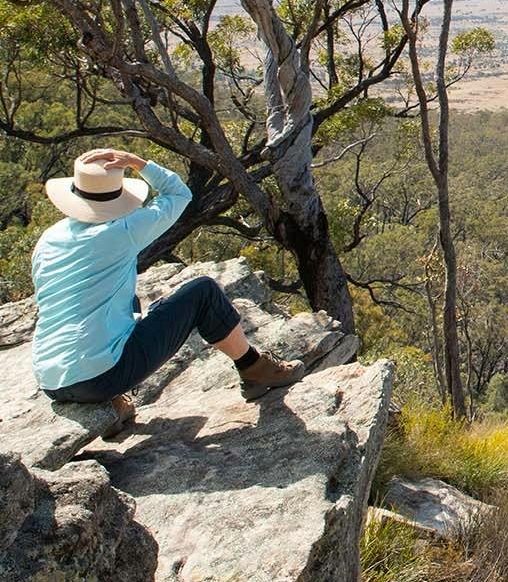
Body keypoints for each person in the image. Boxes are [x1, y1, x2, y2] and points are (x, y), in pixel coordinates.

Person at [31, 148, 306, 433]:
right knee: (204, 292)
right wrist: (138, 162)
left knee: (129, 303)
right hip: (100, 377)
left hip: (51, 381)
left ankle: (112, 405)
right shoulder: (121, 231)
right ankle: (254, 370)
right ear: (117, 196)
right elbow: (178, 195)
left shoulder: (49, 239)